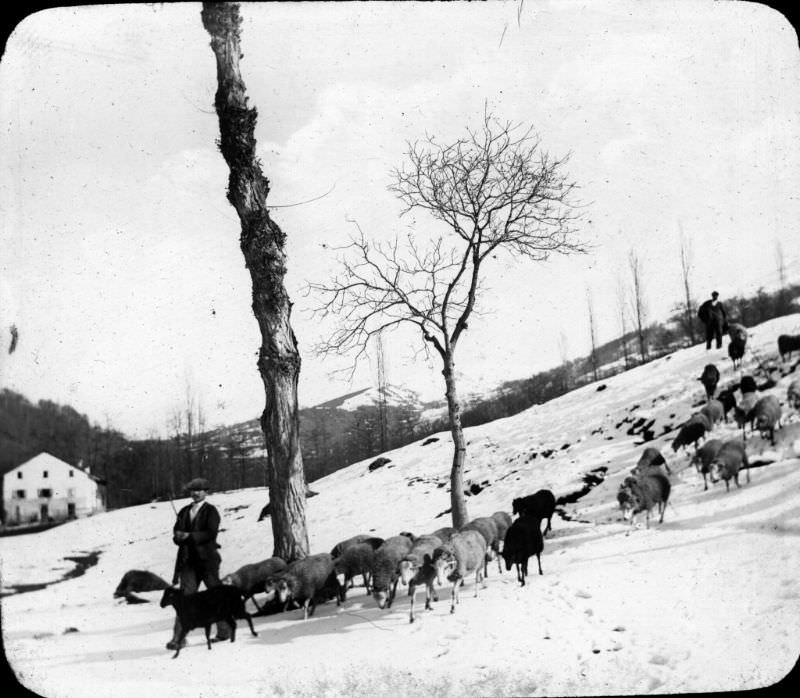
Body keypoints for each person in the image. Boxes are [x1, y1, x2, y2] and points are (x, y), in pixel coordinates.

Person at [166, 477, 230, 650]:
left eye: (199, 490)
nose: (195, 493)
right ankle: (178, 639)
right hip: (188, 563)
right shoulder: (184, 511)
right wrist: (178, 536)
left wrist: (190, 536)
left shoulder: (211, 511)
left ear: (205, 492)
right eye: (192, 490)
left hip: (208, 562)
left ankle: (224, 631)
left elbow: (211, 533)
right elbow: (176, 533)